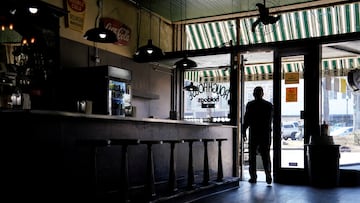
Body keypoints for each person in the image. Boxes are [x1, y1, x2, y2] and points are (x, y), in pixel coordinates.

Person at [242, 86, 273, 184]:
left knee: (252, 156)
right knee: (265, 155)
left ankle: (253, 177)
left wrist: (244, 131)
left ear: (254, 94)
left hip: (254, 132)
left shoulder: (250, 105)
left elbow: (246, 119)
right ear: (262, 94)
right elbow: (270, 120)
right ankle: (268, 175)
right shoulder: (268, 105)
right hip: (265, 133)